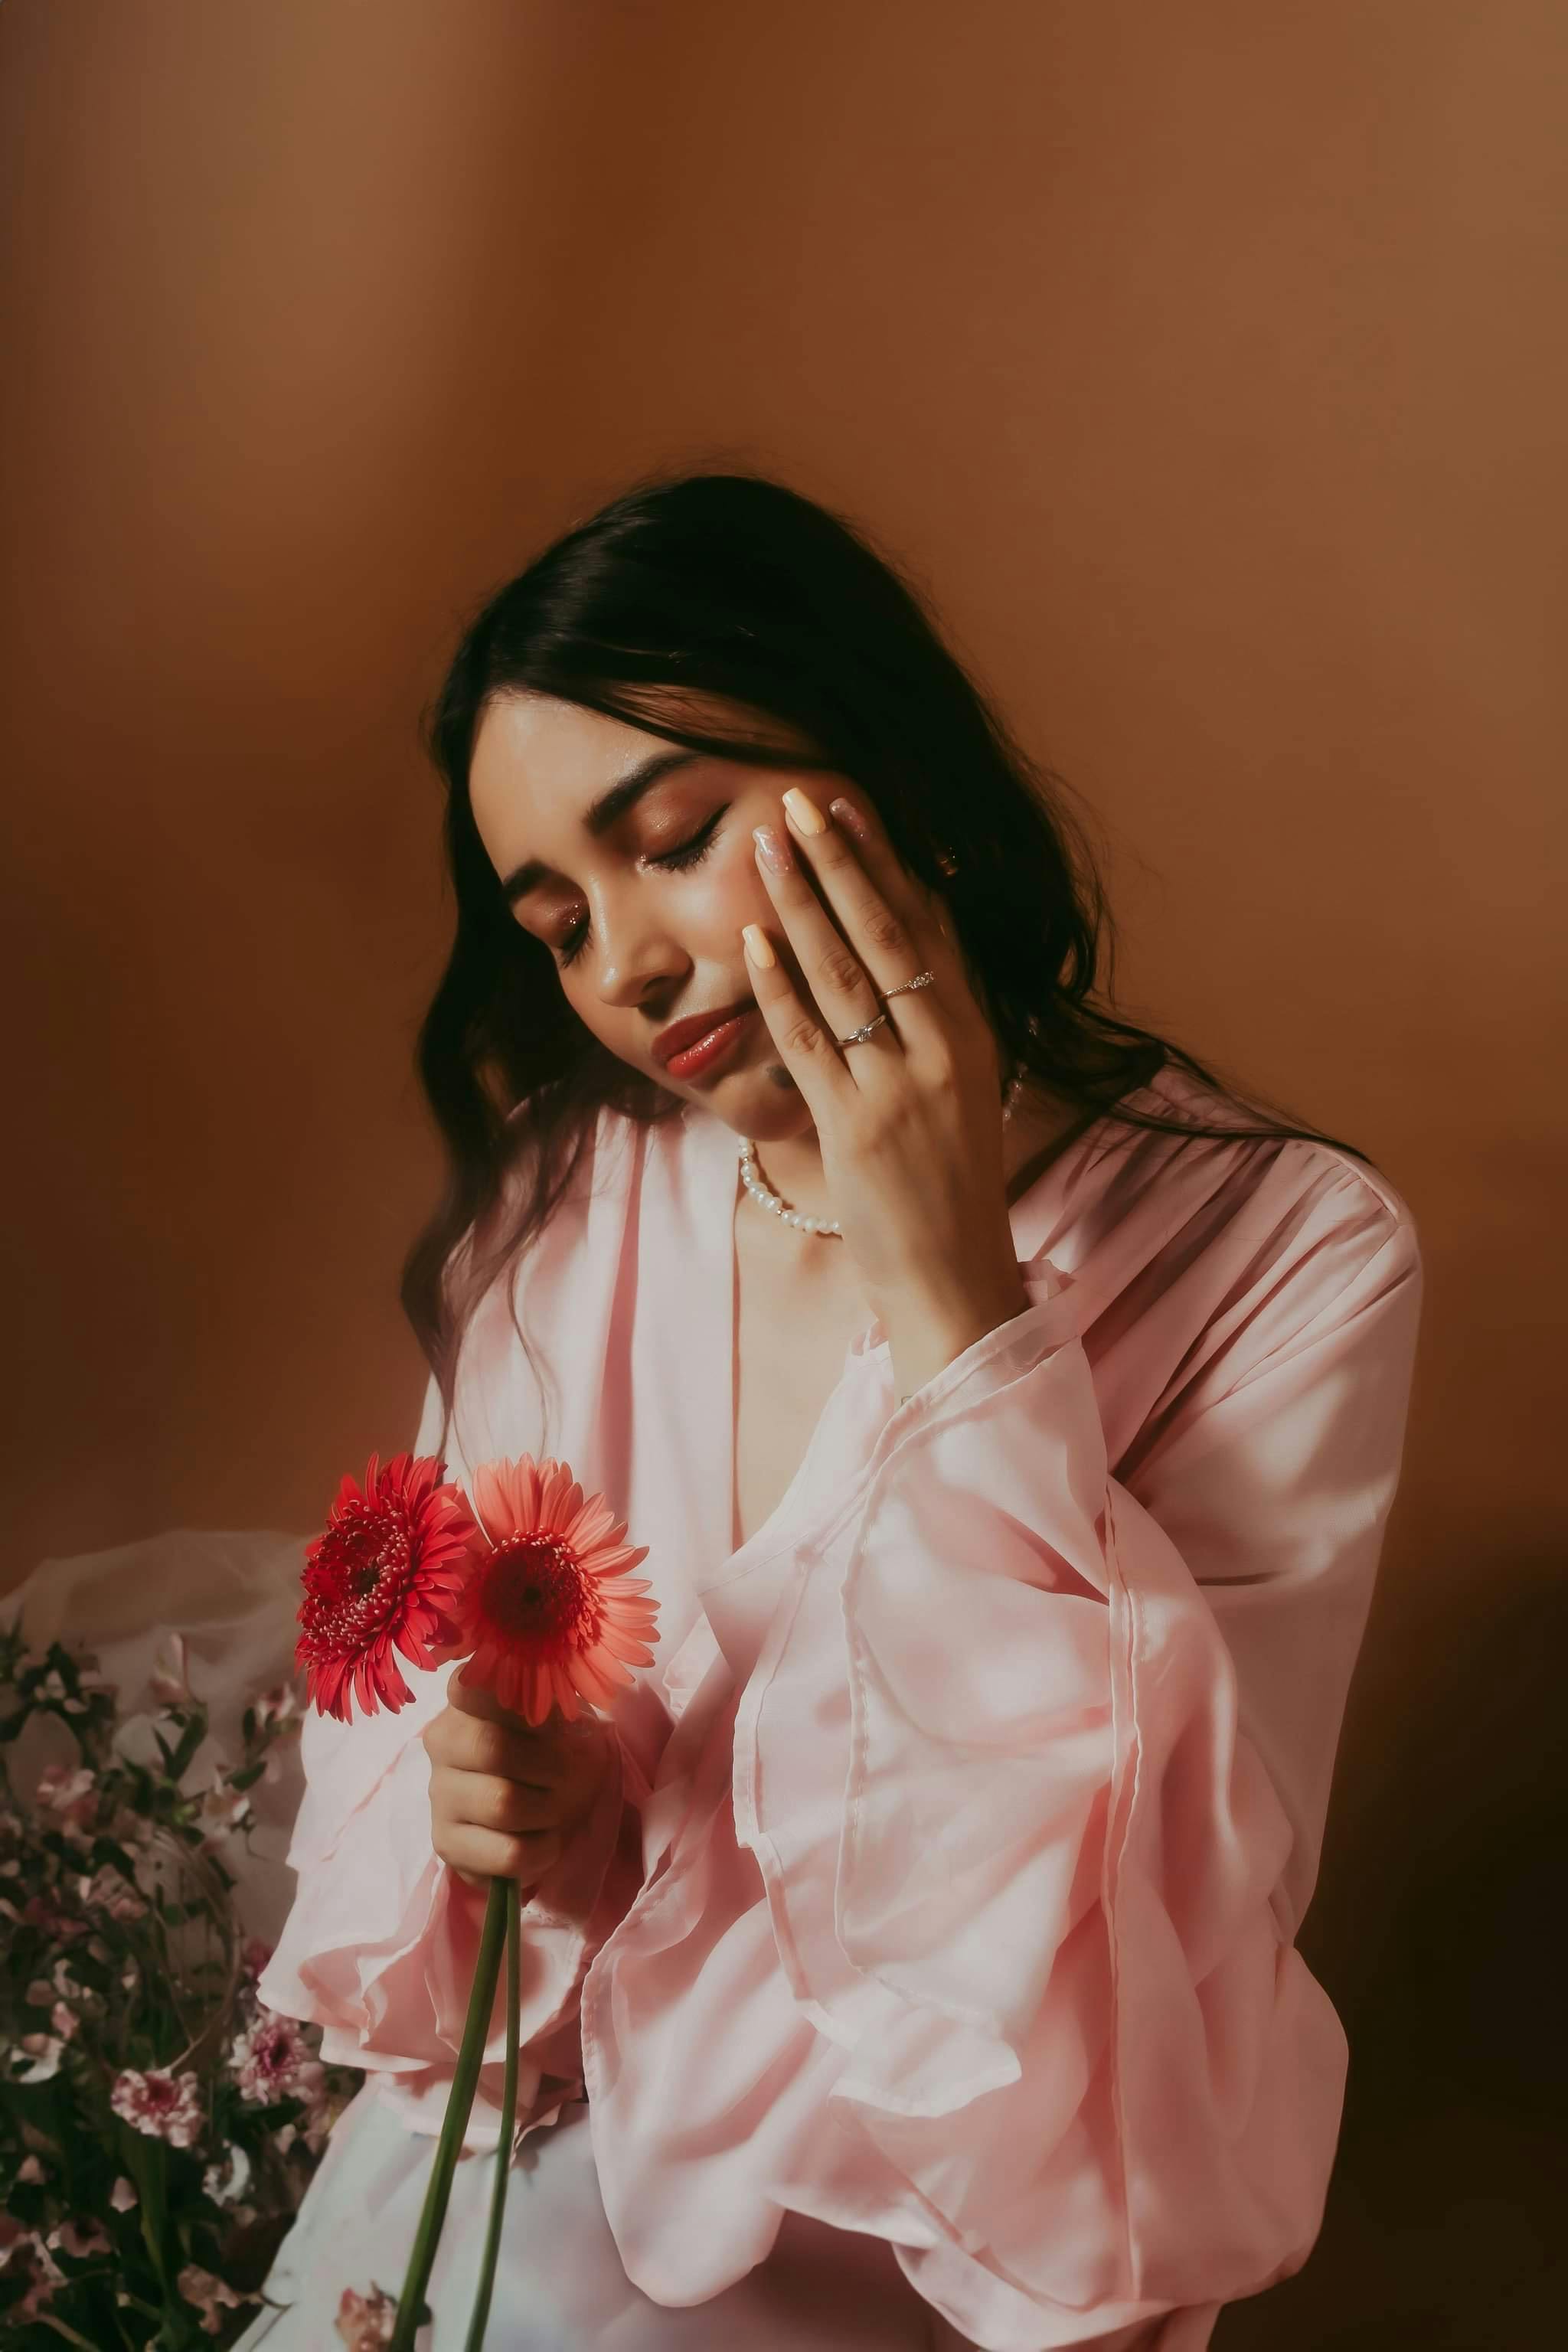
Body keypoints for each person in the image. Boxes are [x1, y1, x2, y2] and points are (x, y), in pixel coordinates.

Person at [237, 470, 1423, 2350]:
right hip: (509, 2201)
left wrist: (953, 1279)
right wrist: (527, 1813)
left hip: (926, 2262)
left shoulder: (1287, 1254)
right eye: (556, 920)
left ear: (884, 764)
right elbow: (488, 1833)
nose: (621, 965)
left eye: (678, 835)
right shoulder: (570, 1206)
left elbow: (1162, 1933)